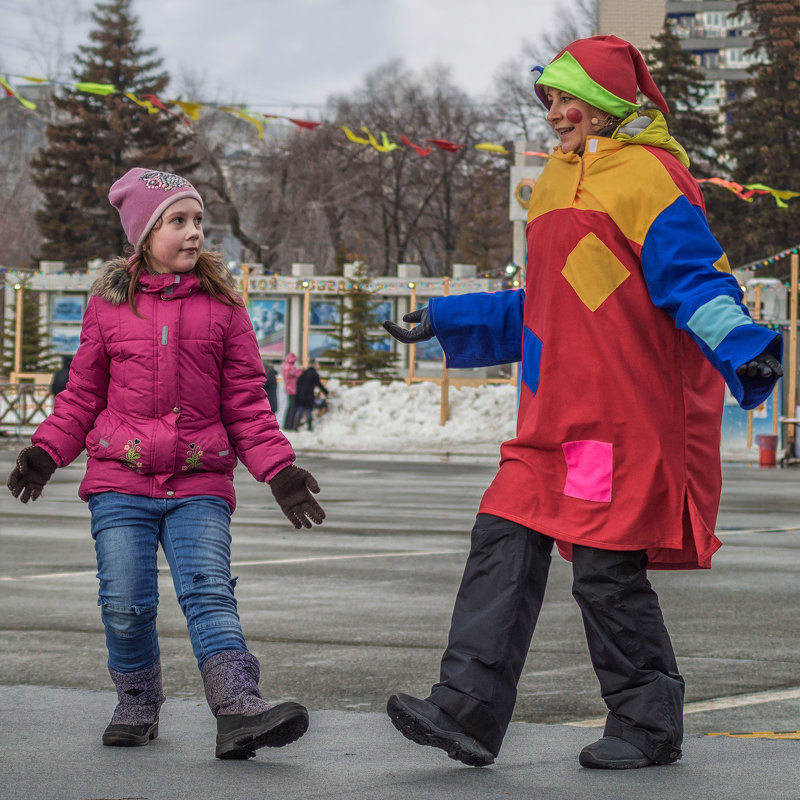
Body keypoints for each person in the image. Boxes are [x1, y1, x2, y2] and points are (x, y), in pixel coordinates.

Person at [382, 35, 783, 771]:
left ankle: (646, 722)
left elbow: (694, 278)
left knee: (603, 570)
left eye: (570, 98)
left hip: (613, 420)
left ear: (607, 105)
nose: (557, 112)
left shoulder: (651, 178)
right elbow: (547, 303)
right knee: (501, 538)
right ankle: (464, 711)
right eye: (551, 99)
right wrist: (446, 319)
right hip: (548, 416)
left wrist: (743, 343)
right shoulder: (555, 182)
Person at [6, 167, 326, 761]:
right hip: (119, 481)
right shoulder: (107, 308)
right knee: (125, 602)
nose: (194, 233)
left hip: (198, 481)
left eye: (198, 220)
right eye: (178, 221)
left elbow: (247, 402)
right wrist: (46, 451)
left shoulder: (224, 308)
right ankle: (137, 703)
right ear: (145, 231)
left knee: (209, 591)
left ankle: (238, 710)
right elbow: (80, 397)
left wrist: (278, 471)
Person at [291, 360, 328, 431]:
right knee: (308, 412)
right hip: (309, 396)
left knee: (299, 411)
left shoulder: (303, 373)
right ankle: (309, 428)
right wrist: (326, 392)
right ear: (314, 365)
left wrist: (298, 394)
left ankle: (294, 427)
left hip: (301, 395)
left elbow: (298, 384)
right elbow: (319, 385)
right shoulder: (314, 374)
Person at [281, 352, 302, 429]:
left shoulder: (285, 366)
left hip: (289, 388)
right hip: (292, 389)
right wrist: (302, 370)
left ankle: (287, 424)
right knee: (292, 407)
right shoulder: (289, 367)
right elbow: (298, 373)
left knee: (290, 407)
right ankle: (290, 425)